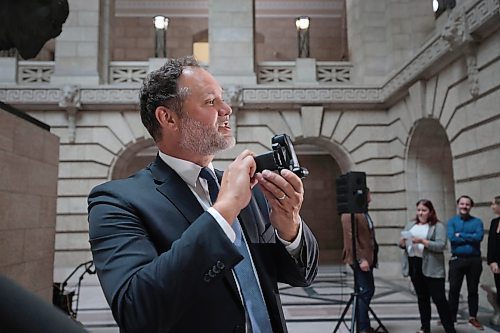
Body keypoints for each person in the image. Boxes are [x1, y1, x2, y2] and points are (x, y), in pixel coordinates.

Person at [87, 56, 319, 333]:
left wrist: (290, 226)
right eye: (211, 102)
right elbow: (137, 310)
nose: (227, 109)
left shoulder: (248, 190)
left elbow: (302, 275)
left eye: (223, 99)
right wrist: (225, 210)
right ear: (168, 117)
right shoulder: (116, 201)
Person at [399, 199, 456, 333]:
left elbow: (441, 245)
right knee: (422, 298)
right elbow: (403, 243)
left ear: (430, 212)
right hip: (415, 264)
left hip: (432, 267)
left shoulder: (438, 226)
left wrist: (422, 241)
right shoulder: (411, 224)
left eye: (424, 210)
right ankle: (425, 327)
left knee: (439, 299)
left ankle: (449, 328)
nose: (421, 213)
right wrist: (402, 242)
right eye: (419, 210)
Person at [341, 188, 378, 333]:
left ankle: (363, 325)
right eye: (369, 194)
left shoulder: (363, 211)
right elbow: (351, 239)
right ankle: (362, 327)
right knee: (366, 290)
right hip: (359, 259)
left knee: (365, 291)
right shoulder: (349, 213)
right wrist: (360, 259)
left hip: (369, 258)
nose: (370, 197)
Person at [447, 195, 484, 330]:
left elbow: (479, 238)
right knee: (454, 290)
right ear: (458, 205)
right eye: (462, 204)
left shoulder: (477, 222)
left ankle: (473, 317)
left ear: (471, 206)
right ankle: (451, 318)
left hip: (474, 260)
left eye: (467, 204)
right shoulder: (452, 222)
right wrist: (469, 237)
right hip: (457, 259)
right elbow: (452, 238)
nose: (464, 206)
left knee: (473, 290)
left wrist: (460, 235)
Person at [487, 196, 500, 309]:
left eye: (493, 204)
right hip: (497, 264)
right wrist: (492, 261)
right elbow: (491, 243)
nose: (492, 206)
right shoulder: (494, 222)